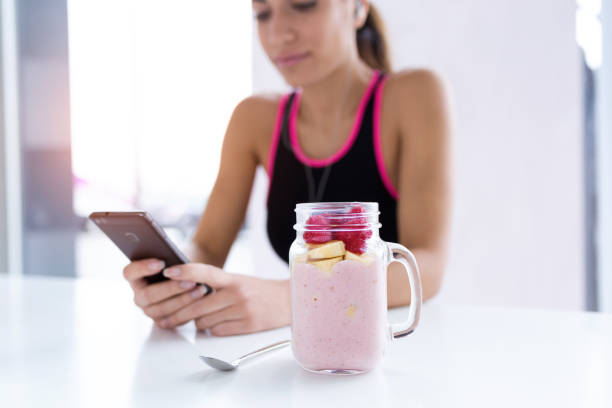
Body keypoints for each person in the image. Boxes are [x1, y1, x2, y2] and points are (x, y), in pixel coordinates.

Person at [122, 0, 452, 336]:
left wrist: (292, 298)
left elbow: (427, 266)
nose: (279, 33)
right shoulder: (254, 119)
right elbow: (207, 247)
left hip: (395, 342)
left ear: (357, 7)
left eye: (304, 5)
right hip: (301, 349)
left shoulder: (413, 95)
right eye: (262, 14)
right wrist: (173, 278)